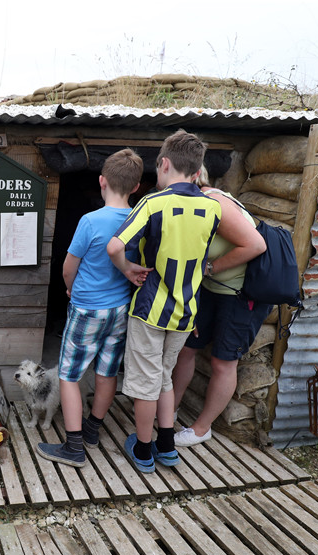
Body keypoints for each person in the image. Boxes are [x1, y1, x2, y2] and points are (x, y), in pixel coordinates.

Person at [106, 129, 221, 473]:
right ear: (198, 171)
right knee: (165, 378)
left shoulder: (153, 203)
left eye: (157, 169)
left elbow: (114, 246)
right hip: (186, 313)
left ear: (165, 164)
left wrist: (127, 268)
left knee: (144, 385)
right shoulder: (213, 208)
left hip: (150, 310)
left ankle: (143, 449)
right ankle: (167, 446)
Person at [35, 149, 149, 467]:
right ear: (137, 186)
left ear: (101, 181)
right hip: (120, 308)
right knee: (107, 370)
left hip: (87, 308)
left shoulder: (90, 221)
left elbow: (69, 266)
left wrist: (69, 287)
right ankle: (93, 429)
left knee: (70, 375)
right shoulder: (138, 220)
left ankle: (73, 447)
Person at [171, 166, 269, 446]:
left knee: (223, 361)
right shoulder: (192, 206)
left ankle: (202, 428)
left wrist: (210, 267)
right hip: (211, 291)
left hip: (240, 295)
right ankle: (170, 410)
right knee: (187, 348)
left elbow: (256, 245)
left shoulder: (215, 202)